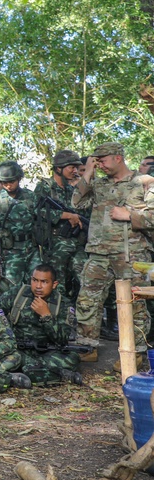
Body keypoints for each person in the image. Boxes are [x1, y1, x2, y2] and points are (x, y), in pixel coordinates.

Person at [71, 142, 152, 364]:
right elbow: (76, 203)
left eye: (102, 160)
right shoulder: (99, 185)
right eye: (96, 161)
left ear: (118, 157)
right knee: (88, 299)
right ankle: (87, 347)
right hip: (98, 253)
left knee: (134, 303)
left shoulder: (144, 183)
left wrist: (130, 216)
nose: (100, 165)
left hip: (131, 255)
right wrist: (88, 172)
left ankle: (135, 353)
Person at [0, 263, 83, 386]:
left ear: (54, 284)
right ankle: (52, 374)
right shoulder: (18, 293)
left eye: (44, 282)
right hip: (16, 349)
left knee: (72, 358)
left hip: (46, 352)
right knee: (3, 355)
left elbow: (62, 339)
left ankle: (24, 371)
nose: (38, 286)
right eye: (35, 280)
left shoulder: (63, 304)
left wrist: (46, 316)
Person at [32, 150, 88, 304]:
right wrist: (67, 216)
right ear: (58, 168)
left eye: (77, 167)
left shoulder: (71, 190)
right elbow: (36, 210)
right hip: (56, 243)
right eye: (71, 167)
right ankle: (58, 315)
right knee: (58, 282)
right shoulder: (45, 187)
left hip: (76, 242)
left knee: (85, 278)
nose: (75, 171)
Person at [0, 161, 37, 287]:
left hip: (31, 247)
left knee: (36, 281)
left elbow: (39, 216)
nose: (8, 186)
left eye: (11, 182)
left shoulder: (29, 195)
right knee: (12, 284)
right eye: (4, 183)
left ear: (18, 179)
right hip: (11, 250)